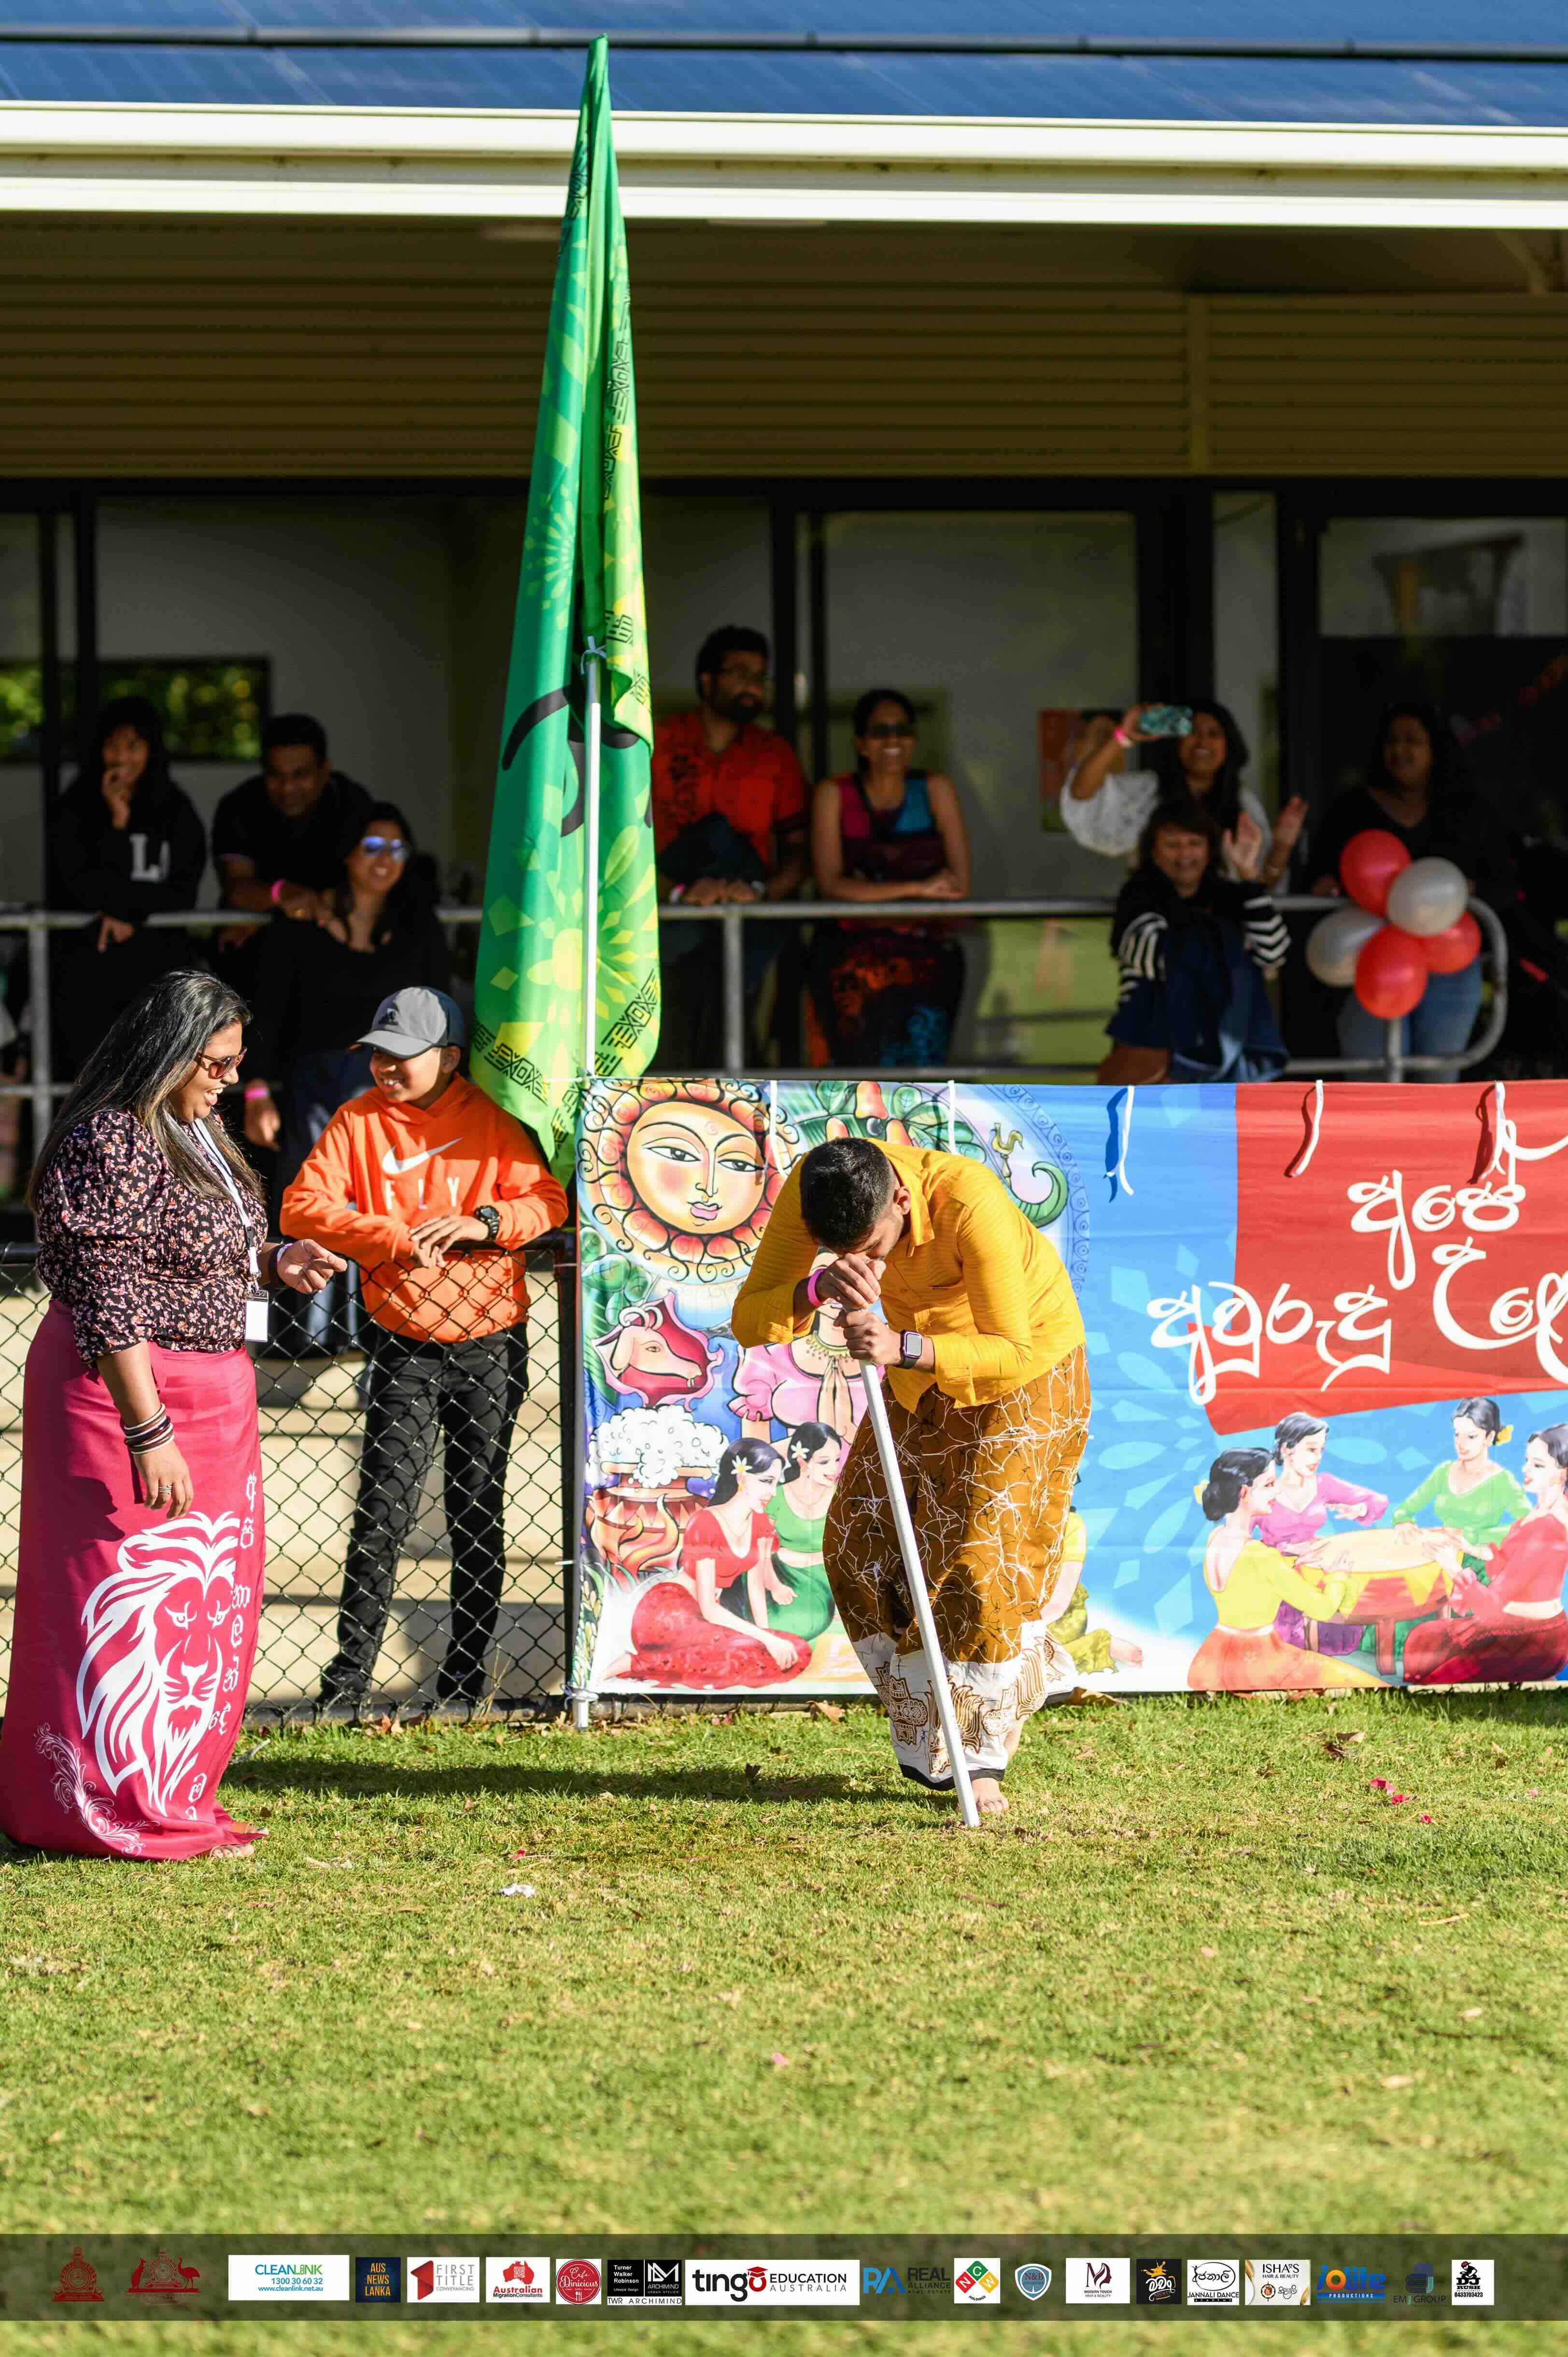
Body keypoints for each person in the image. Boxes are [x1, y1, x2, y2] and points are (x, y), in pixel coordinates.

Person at [0, 970, 342, 1857]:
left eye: (236, 1065)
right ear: (170, 1053)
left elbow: (192, 1251)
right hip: (124, 1391)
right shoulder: (110, 1139)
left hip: (215, 1386)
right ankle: (91, 1796)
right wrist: (146, 1432)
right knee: (115, 1593)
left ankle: (167, 1785)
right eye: (220, 1064)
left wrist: (272, 1260)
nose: (231, 1080)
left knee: (207, 1589)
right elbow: (110, 1293)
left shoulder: (197, 1129)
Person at [733, 1133, 1089, 1815]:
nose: (863, 1263)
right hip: (911, 1375)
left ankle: (980, 1758)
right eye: (845, 1253)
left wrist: (905, 1345)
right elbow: (751, 1322)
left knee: (978, 1565)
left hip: (1024, 1372)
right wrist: (813, 1286)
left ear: (900, 1197)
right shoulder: (815, 1188)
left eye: (872, 1246)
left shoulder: (966, 1201)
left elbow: (1010, 1348)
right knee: (855, 1545)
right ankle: (936, 1736)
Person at [279, 986, 568, 1717]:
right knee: (383, 1513)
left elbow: (550, 1203)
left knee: (476, 1512)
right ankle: (346, 1685)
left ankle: (465, 1682)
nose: (385, 1068)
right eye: (377, 1054)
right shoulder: (356, 1121)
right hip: (401, 1345)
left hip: (491, 1343)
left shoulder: (494, 1118)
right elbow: (301, 1207)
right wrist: (393, 1237)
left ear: (448, 1058)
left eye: (401, 1056)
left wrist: (484, 1222)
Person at [241, 801, 450, 1347]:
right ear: (348, 854)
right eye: (373, 846)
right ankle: (302, 1336)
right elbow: (265, 1015)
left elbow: (442, 1014)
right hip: (315, 1089)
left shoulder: (418, 926)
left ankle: (380, 1328)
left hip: (396, 1091)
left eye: (397, 848)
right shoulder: (300, 925)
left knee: (386, 1207)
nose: (386, 860)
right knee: (315, 1205)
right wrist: (257, 1089)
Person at [1307, 702, 1518, 1073]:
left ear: (1435, 749)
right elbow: (1317, 874)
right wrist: (1323, 887)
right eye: (1391, 741)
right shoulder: (1351, 809)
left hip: (1450, 965)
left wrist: (1469, 889)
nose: (1399, 750)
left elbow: (1502, 884)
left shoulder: (1467, 811)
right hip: (1367, 958)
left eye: (1412, 741)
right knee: (1371, 1082)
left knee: (1438, 1080)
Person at [651, 626, 809, 1068]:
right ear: (706, 681)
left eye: (759, 677)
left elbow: (800, 853)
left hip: (745, 925)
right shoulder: (656, 742)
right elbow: (618, 845)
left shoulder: (774, 755)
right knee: (666, 1047)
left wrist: (758, 893)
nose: (751, 686)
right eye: (739, 673)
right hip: (660, 920)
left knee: (734, 1046)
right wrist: (677, 894)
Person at [807, 687, 970, 1068]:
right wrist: (917, 888)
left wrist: (877, 893)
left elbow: (959, 885)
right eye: (881, 731)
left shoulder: (935, 789)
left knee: (923, 1076)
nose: (893, 740)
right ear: (861, 743)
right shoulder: (834, 794)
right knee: (856, 1081)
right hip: (850, 961)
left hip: (926, 959)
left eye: (903, 730)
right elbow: (831, 884)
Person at [48, 697, 208, 1077]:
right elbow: (76, 885)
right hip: (90, 974)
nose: (122, 757)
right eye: (112, 745)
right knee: (94, 1078)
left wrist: (126, 912)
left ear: (151, 750)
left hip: (158, 970)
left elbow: (183, 890)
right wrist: (116, 822)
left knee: (156, 1076)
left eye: (133, 746)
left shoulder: (175, 809)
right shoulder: (75, 808)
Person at [1102, 801, 1288, 1083]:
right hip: (1158, 1053)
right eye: (1172, 844)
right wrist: (1230, 947)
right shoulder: (1138, 896)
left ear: (1210, 850)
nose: (1185, 854)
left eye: (1194, 843)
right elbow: (1154, 958)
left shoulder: (1232, 895)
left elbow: (1274, 952)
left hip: (1232, 1046)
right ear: (1153, 852)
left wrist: (1249, 873)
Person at [608, 1442, 811, 1688]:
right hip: (668, 1613)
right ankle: (633, 1664)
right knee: (734, 1655)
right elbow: (709, 1608)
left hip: (707, 1621)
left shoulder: (760, 1523)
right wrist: (766, 1641)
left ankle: (664, 1664)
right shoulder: (705, 1522)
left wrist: (768, 1638)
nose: (773, 1492)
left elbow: (755, 1589)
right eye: (767, 1481)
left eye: (776, 1483)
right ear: (743, 1478)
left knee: (796, 1651)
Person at [1187, 1451, 1381, 1694]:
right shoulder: (1261, 1556)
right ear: (1244, 1493)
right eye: (1269, 1485)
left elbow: (1248, 1581)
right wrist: (1339, 1576)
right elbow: (1322, 1609)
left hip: (1216, 1654)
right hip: (1260, 1659)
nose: (1277, 1493)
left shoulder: (1215, 1538)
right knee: (1367, 1682)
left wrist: (1292, 1560)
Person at [1061, 697, 1308, 885]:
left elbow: (1263, 884)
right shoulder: (1148, 791)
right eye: (1192, 732)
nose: (1202, 742)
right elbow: (1082, 795)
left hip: (1223, 933)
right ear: (1176, 742)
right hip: (1159, 922)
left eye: (1214, 734)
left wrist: (1282, 846)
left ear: (1229, 745)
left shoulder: (1243, 802)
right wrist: (1122, 737)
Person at [1403, 1425, 1568, 1686]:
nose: (1525, 1470)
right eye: (1527, 1461)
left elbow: (1491, 1608)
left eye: (1538, 1465)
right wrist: (1468, 1547)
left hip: (1533, 1640)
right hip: (1515, 1624)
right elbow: (1512, 1567)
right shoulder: (1537, 1516)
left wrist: (1453, 1568)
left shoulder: (1547, 1527)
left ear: (1563, 1474)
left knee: (1434, 1677)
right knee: (1423, 1637)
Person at [212, 712, 374, 925]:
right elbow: (237, 890)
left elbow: (371, 884)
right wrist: (279, 894)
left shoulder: (354, 804)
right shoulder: (240, 805)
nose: (287, 787)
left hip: (338, 931)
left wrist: (307, 901)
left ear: (325, 772)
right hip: (258, 935)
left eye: (301, 775)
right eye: (276, 775)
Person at [1251, 1411, 1387, 1658]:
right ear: (1286, 1449)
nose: (1318, 1458)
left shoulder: (1324, 1484)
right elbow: (1239, 1541)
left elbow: (1379, 1501)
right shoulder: (1266, 1491)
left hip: (1317, 1570)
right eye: (1312, 1450)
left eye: (1321, 1450)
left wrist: (1358, 1508)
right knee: (1292, 1643)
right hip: (1280, 1580)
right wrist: (1282, 1550)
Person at [1392, 1398, 1526, 1570]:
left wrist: (1473, 1536)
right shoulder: (1443, 1472)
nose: (1460, 1444)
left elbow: (1529, 1527)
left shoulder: (1503, 1480)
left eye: (1471, 1436)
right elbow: (1404, 1509)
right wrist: (1403, 1521)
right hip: (1441, 1557)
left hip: (1481, 1564)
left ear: (1489, 1437)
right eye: (1457, 1434)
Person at [763, 1421, 844, 1645]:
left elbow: (852, 1554)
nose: (834, 1469)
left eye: (837, 1460)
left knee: (802, 1625)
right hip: (779, 1574)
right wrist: (774, 1585)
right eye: (824, 1462)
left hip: (823, 1578)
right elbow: (759, 1549)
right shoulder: (776, 1496)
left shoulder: (842, 1497)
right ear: (803, 1462)